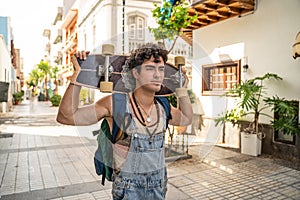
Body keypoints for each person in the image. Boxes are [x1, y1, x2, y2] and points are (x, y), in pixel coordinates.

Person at [56, 43, 193, 199]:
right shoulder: (116, 104)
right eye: (150, 69)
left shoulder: (163, 106)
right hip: (128, 192)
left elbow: (186, 118)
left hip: (158, 188)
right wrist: (77, 77)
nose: (157, 75)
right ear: (135, 73)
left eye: (161, 69)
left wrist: (182, 88)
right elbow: (66, 116)